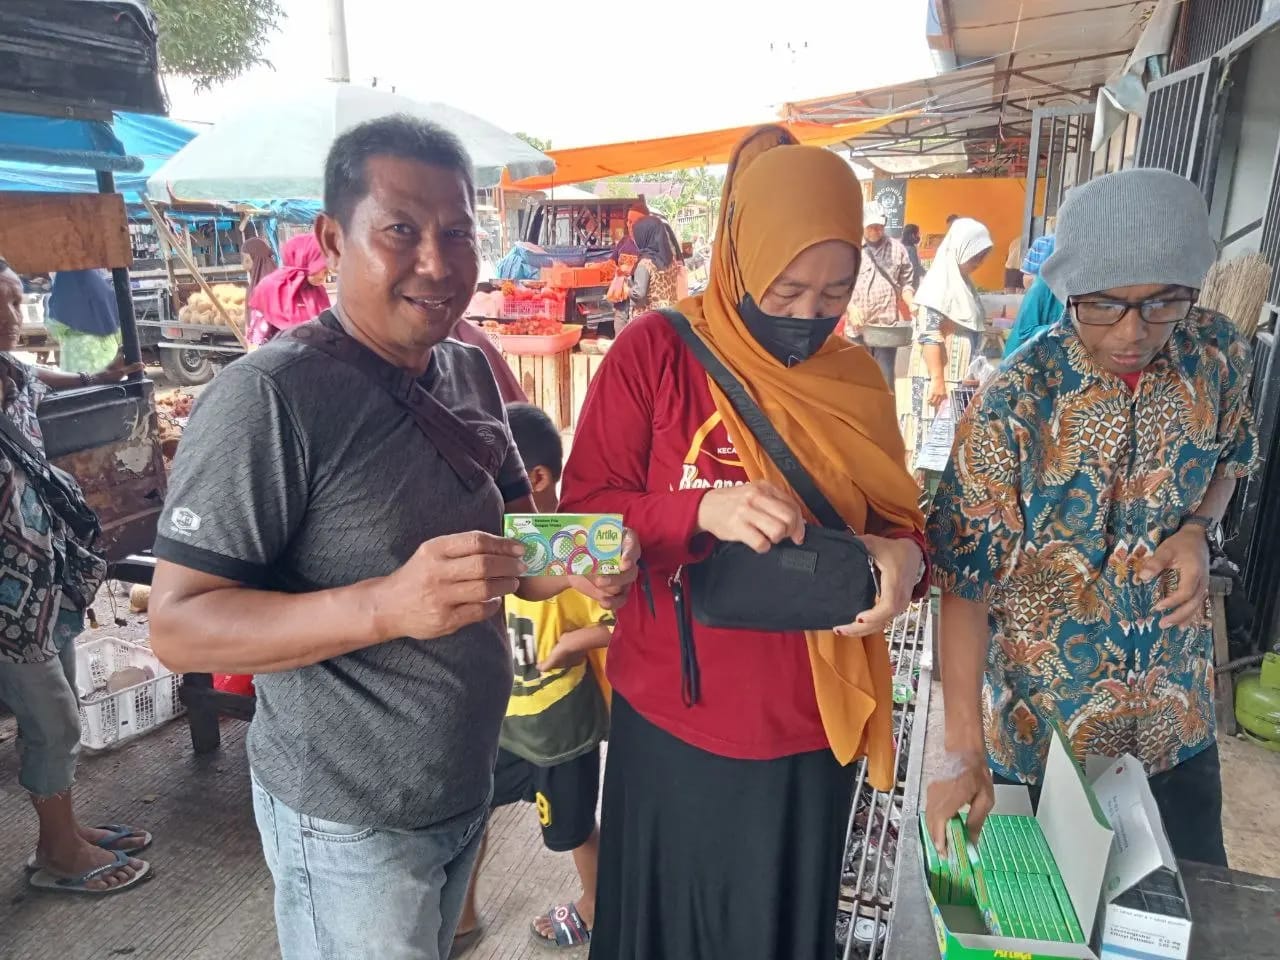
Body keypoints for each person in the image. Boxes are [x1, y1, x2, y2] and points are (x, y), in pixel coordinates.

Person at [147, 117, 637, 960]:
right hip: (347, 824)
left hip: (462, 786)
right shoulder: (269, 400)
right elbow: (178, 625)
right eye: (401, 231)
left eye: (458, 234)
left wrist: (589, 556)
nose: (437, 263)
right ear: (334, 240)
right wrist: (386, 605)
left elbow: (510, 546)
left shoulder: (468, 368)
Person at [559, 126, 927, 960]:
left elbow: (898, 522)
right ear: (738, 256)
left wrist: (908, 560)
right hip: (673, 727)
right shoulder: (655, 352)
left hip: (808, 729)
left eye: (833, 292)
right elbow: (578, 527)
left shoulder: (853, 379)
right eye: (786, 287)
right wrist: (699, 511)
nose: (806, 315)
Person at [924, 169, 1258, 868]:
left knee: (1189, 907)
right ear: (1068, 288)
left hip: (1174, 724)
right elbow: (964, 580)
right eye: (1104, 305)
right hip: (1043, 736)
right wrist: (962, 749)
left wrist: (1198, 529)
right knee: (1045, 916)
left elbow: (1230, 459)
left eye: (1162, 302)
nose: (1133, 331)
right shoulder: (1018, 397)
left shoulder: (1217, 355)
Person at [0, 256, 151, 896]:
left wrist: (99, 377)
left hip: (41, 577)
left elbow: (39, 376)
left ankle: (63, 829)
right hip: (6, 597)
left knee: (58, 699)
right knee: (54, 717)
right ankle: (58, 854)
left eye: (15, 301)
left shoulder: (10, 373)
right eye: (0, 303)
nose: (12, 317)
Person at [455, 403, 612, 956]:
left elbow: (619, 621)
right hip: (499, 725)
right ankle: (461, 918)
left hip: (560, 730)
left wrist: (572, 643)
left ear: (535, 478)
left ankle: (595, 905)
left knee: (574, 829)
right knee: (471, 819)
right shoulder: (486, 545)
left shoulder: (571, 546)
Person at [905, 218, 993, 465]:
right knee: (933, 437)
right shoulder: (938, 286)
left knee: (953, 437)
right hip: (939, 379)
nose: (979, 262)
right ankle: (924, 487)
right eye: (975, 255)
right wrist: (937, 380)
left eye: (982, 256)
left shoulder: (963, 285)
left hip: (958, 376)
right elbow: (929, 335)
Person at [847, 201, 916, 391]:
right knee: (857, 384)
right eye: (871, 226)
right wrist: (851, 308)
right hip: (857, 329)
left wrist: (911, 303)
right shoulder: (852, 249)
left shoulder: (897, 249)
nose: (876, 230)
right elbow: (841, 285)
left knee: (885, 383)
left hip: (886, 329)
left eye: (879, 226)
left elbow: (907, 283)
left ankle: (883, 410)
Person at [245, 234, 331, 345]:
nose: (327, 273)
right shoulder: (269, 289)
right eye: (322, 266)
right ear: (305, 262)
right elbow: (258, 336)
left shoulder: (318, 291)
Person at [45, 269, 122, 373]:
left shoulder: (63, 294)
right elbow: (120, 332)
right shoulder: (105, 291)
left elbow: (55, 329)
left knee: (81, 383)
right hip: (108, 354)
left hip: (77, 354)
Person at [625, 215, 682, 327]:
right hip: (669, 317)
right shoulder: (670, 260)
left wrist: (626, 290)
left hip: (648, 322)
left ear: (645, 236)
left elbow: (639, 294)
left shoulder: (645, 264)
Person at [1002, 273, 1065, 359]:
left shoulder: (1079, 290)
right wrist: (1063, 328)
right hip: (1022, 358)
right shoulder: (1042, 286)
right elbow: (1024, 331)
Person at [241, 236, 278, 304]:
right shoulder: (276, 277)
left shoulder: (265, 285)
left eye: (246, 259)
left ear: (255, 259)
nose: (243, 263)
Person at [901, 223, 924, 287]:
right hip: (911, 283)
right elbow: (915, 267)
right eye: (918, 234)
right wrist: (927, 273)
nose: (919, 236)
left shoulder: (901, 246)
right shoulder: (911, 249)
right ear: (912, 235)